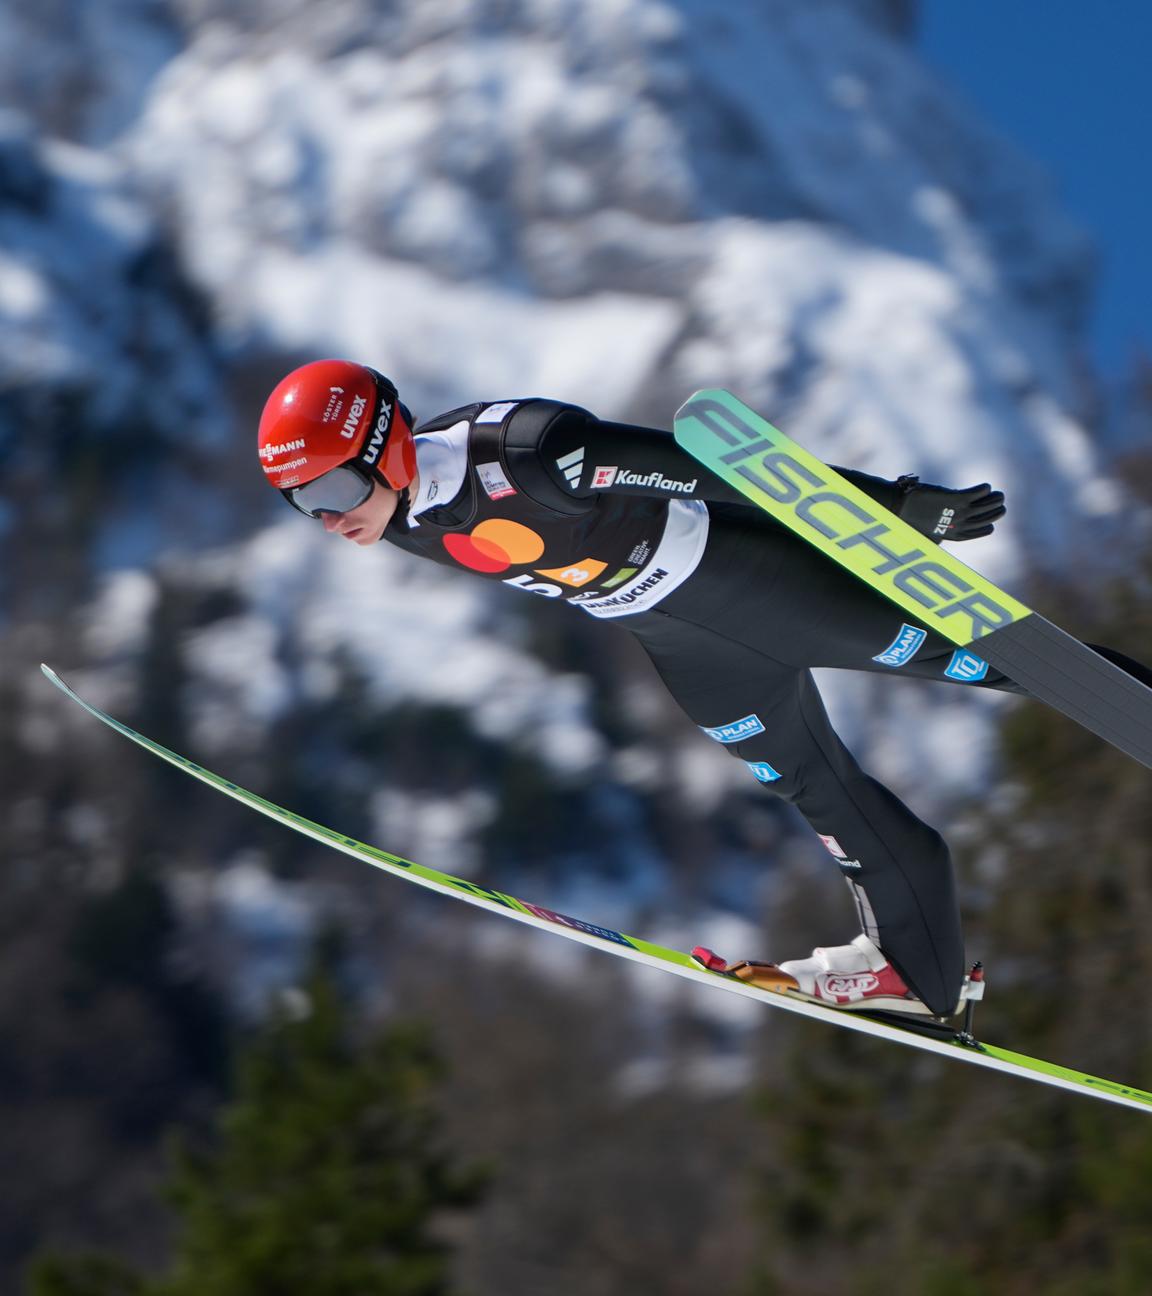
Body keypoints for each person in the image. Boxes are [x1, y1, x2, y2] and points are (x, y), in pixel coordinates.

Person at [254, 359, 1139, 1018]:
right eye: (301, 504)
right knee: (814, 786)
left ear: (386, 443)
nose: (328, 519)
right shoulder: (393, 516)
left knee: (1029, 664)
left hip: (767, 586)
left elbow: (715, 468)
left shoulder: (526, 453)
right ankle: (916, 973)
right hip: (688, 646)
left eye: (330, 487)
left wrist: (889, 507)